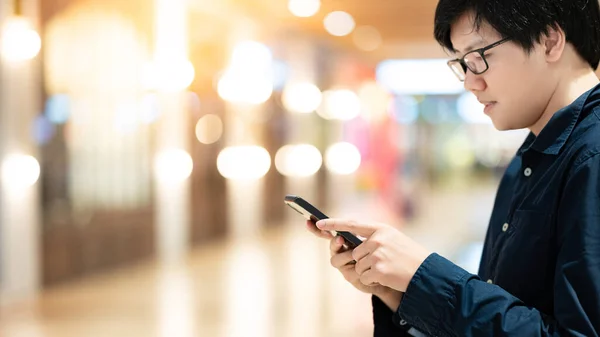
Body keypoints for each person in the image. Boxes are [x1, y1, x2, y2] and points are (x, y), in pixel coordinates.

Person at [305, 0, 600, 335]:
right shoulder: (531, 158)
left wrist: (425, 276)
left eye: (479, 59)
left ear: (549, 40)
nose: (470, 83)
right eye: (462, 64)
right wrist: (402, 294)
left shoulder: (592, 156)